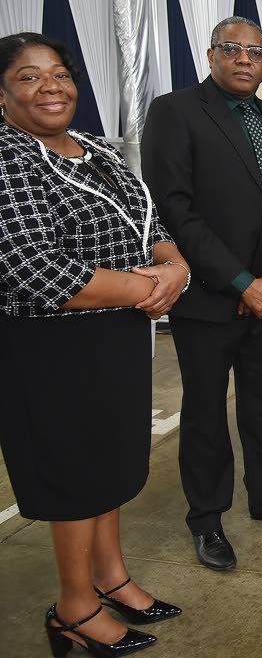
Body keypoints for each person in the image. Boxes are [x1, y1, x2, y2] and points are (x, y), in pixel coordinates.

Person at [0, 33, 185, 656]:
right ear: (1, 93)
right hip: (51, 348)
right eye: (28, 77)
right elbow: (29, 268)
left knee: (109, 462)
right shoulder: (5, 158)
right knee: (75, 471)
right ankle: (73, 609)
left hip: (117, 338)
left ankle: (110, 577)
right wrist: (143, 287)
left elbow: (150, 225)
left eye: (59, 73)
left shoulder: (100, 151)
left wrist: (175, 267)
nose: (50, 86)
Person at [142, 16, 262, 573]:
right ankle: (207, 517)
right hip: (208, 299)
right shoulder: (175, 112)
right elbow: (175, 208)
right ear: (211, 53)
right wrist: (240, 282)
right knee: (204, 414)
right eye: (232, 49)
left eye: (255, 51)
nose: (245, 59)